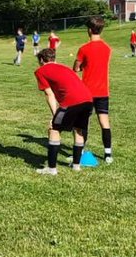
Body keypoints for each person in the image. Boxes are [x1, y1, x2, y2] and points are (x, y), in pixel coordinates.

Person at [33, 47, 94, 175]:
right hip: (88, 100)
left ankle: (51, 169)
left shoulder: (40, 71)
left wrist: (55, 115)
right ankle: (76, 166)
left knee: (54, 129)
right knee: (78, 130)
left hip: (71, 101)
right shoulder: (64, 67)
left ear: (42, 60)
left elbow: (49, 94)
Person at [74, 16, 114, 163]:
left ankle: (81, 150)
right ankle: (108, 154)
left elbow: (76, 68)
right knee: (104, 122)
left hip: (87, 91)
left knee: (84, 122)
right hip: (103, 91)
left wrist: (80, 65)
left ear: (89, 30)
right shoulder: (107, 48)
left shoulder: (84, 49)